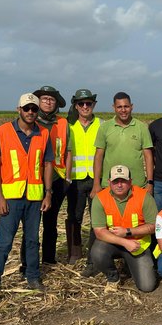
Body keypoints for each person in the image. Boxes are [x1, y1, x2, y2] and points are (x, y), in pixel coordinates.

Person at [0, 93, 53, 304]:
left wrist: (48, 193)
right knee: (4, 243)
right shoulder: (3, 131)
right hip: (11, 198)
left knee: (32, 240)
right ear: (19, 110)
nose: (31, 112)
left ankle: (32, 277)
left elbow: (48, 164)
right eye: (27, 109)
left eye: (34, 109)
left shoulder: (43, 134)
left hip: (34, 196)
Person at [90, 165, 157, 293]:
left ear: (130, 182)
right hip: (113, 243)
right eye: (115, 181)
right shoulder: (100, 198)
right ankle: (113, 277)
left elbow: (154, 226)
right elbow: (99, 232)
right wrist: (125, 242)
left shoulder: (144, 196)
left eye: (123, 181)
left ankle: (131, 265)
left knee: (147, 287)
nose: (119, 185)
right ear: (109, 182)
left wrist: (128, 232)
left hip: (138, 245)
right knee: (97, 252)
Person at [24, 85, 68, 267]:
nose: (48, 102)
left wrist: (68, 178)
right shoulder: (30, 121)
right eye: (44, 99)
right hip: (34, 178)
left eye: (52, 99)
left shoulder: (63, 123)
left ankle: (49, 258)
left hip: (57, 178)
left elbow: (69, 150)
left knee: (51, 223)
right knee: (31, 224)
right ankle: (27, 263)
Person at [90, 92, 154, 201]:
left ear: (131, 107)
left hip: (136, 185)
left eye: (126, 106)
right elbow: (98, 156)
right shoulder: (105, 127)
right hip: (110, 185)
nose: (123, 110)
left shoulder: (141, 127)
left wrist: (150, 183)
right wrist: (96, 184)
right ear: (114, 108)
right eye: (119, 107)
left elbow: (148, 157)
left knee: (136, 217)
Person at [65, 88, 101, 266]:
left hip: (96, 180)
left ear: (93, 105)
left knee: (97, 219)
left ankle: (94, 254)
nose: (85, 106)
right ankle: (74, 252)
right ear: (76, 106)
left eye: (89, 103)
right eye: (81, 103)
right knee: (74, 217)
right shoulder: (68, 126)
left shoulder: (102, 124)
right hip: (75, 180)